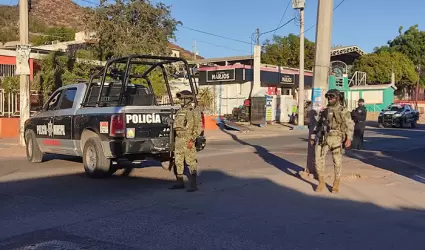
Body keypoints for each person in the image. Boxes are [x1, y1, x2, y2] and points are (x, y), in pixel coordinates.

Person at [310, 89, 354, 193]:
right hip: (323, 137)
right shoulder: (325, 110)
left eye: (332, 97)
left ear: (338, 98)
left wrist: (349, 138)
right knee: (318, 159)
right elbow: (319, 124)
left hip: (336, 137)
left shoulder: (343, 110)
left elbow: (350, 124)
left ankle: (336, 183)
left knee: (337, 161)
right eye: (328, 97)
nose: (329, 99)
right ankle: (321, 182)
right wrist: (313, 136)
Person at [169, 90, 202, 192]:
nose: (180, 101)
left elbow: (197, 127)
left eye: (182, 99)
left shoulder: (194, 111)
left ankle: (193, 184)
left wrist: (192, 139)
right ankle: (179, 182)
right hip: (178, 139)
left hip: (188, 139)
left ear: (187, 99)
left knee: (190, 161)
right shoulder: (179, 111)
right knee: (178, 161)